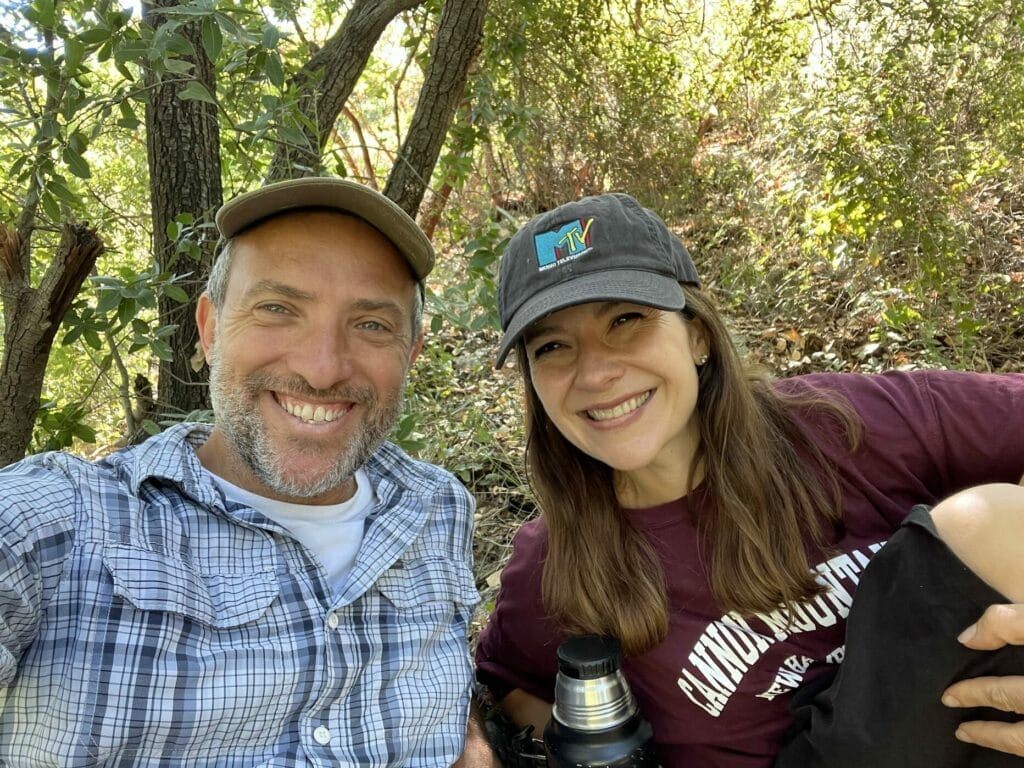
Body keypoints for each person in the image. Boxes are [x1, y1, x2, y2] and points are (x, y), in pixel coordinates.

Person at [472, 192, 1024, 767]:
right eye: (553, 347)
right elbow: (508, 684)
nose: (595, 372)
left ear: (698, 334)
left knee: (994, 522)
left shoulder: (844, 425)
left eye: (625, 319)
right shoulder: (552, 565)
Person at [0, 177, 480, 766]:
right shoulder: (58, 524)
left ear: (411, 353)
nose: (323, 368)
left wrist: (473, 738)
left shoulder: (439, 506)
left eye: (372, 324)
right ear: (209, 328)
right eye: (278, 309)